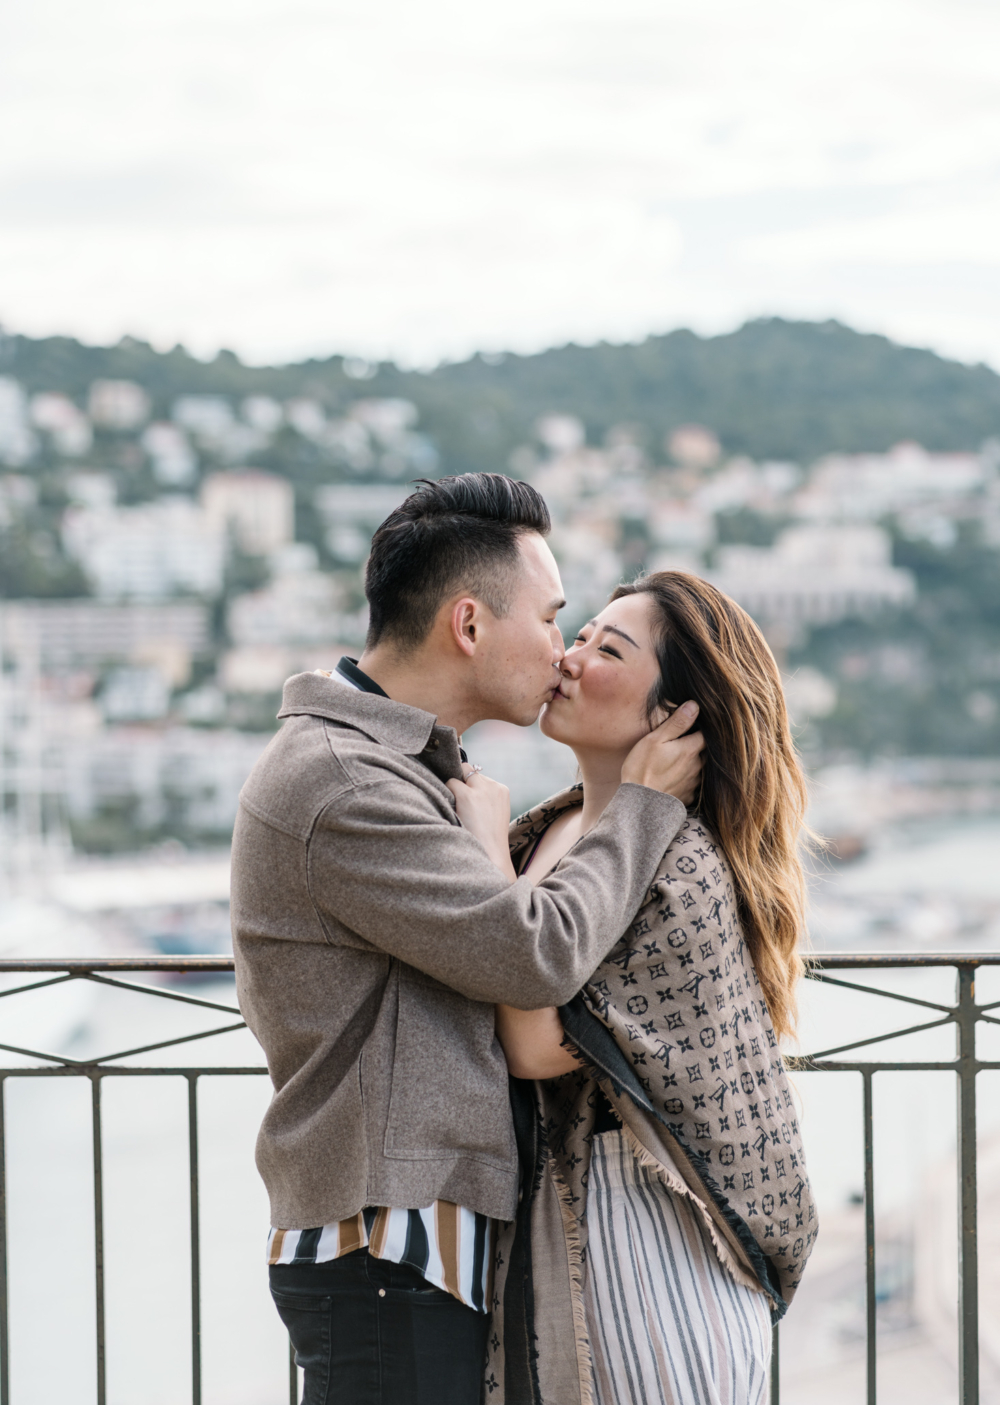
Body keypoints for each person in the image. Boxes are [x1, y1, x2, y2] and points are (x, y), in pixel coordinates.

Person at [230, 475, 705, 1405]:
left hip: (408, 1249)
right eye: (550, 617)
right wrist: (643, 810)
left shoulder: (388, 766)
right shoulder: (345, 784)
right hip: (385, 1249)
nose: (563, 650)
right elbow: (533, 953)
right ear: (470, 625)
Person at [462, 569, 817, 1405]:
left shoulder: (677, 859)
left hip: (651, 1235)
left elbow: (538, 1046)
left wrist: (480, 858)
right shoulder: (551, 832)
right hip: (569, 1220)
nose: (571, 657)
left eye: (608, 648)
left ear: (673, 717)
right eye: (578, 633)